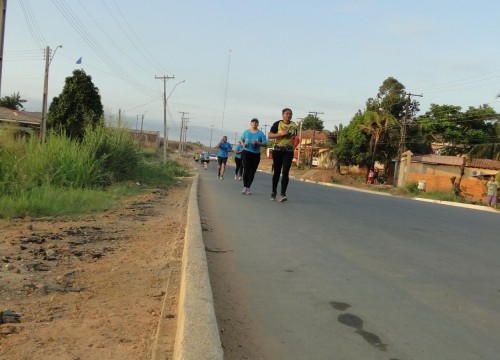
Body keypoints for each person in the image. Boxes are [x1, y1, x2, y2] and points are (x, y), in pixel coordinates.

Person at [268, 108, 298, 202]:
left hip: (288, 151)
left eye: (290, 114)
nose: (289, 115)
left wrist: (294, 145)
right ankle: (273, 192)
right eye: (287, 113)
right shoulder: (278, 123)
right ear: (283, 115)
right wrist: (281, 134)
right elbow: (270, 135)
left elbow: (295, 137)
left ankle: (283, 194)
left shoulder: (294, 125)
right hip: (278, 150)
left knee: (285, 172)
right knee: (277, 172)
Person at [240, 118, 267, 195]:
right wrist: (243, 144)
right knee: (246, 169)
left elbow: (265, 144)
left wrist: (257, 143)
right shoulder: (246, 132)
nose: (254, 123)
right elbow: (241, 139)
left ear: (258, 124)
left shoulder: (260, 133)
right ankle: (245, 187)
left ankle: (248, 187)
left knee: (252, 171)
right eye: (253, 122)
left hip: (256, 154)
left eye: (256, 122)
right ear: (250, 123)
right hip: (246, 152)